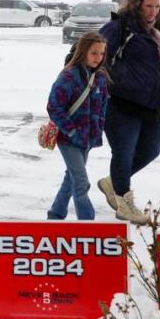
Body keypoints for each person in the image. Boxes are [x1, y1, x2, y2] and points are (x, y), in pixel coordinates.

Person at [97, 0, 160, 225]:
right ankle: (124, 203)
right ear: (138, 5)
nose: (153, 11)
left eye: (157, 6)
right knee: (123, 153)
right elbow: (96, 55)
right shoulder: (119, 28)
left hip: (153, 105)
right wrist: (116, 81)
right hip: (122, 103)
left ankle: (112, 182)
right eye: (148, 6)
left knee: (151, 150)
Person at [46, 32, 110, 220]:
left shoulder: (100, 77)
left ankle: (56, 214)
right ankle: (87, 222)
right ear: (83, 52)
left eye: (101, 54)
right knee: (81, 182)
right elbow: (54, 107)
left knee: (71, 177)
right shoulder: (69, 76)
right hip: (69, 138)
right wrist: (72, 130)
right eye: (94, 53)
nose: (98, 58)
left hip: (88, 138)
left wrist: (97, 128)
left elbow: (104, 105)